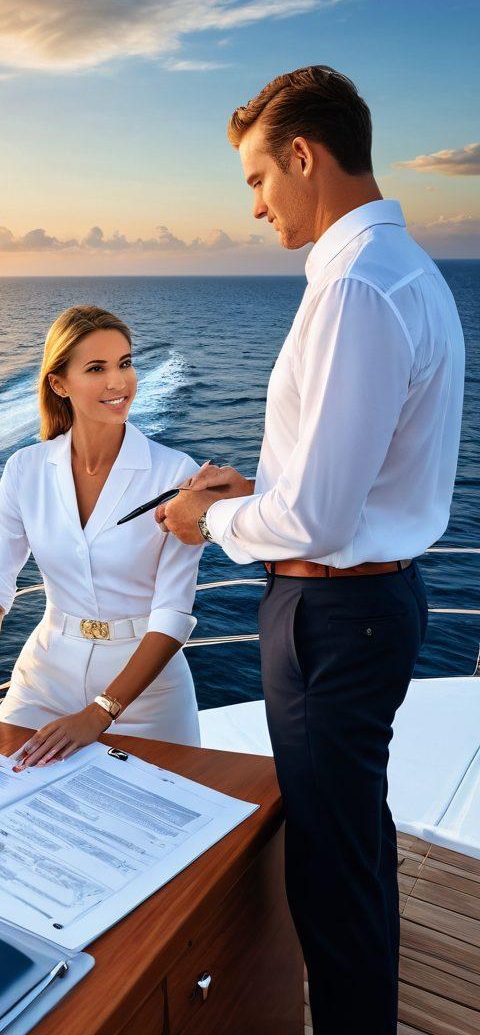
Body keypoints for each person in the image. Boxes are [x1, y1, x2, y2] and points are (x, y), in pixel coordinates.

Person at [159, 66, 465, 1035]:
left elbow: (326, 523)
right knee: (352, 850)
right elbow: (346, 485)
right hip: (365, 603)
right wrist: (263, 496)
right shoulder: (402, 271)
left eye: (256, 178)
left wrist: (206, 520)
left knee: (331, 884)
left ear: (302, 155)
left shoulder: (356, 290)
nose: (252, 205)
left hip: (334, 613)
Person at [0, 304, 205, 772]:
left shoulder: (175, 474)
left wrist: (99, 713)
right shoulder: (25, 470)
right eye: (97, 368)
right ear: (59, 384)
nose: (118, 382)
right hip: (45, 677)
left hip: (147, 694)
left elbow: (173, 614)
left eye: (125, 363)